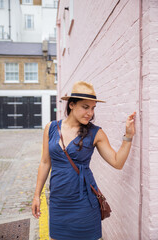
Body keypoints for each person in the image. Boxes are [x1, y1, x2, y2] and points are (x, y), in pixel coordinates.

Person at [32, 81, 136, 240]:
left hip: (84, 202)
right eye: (85, 107)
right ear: (72, 105)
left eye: (93, 108)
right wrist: (36, 195)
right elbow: (45, 162)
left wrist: (128, 136)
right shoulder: (51, 128)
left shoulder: (96, 133)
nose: (90, 113)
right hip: (58, 201)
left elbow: (117, 162)